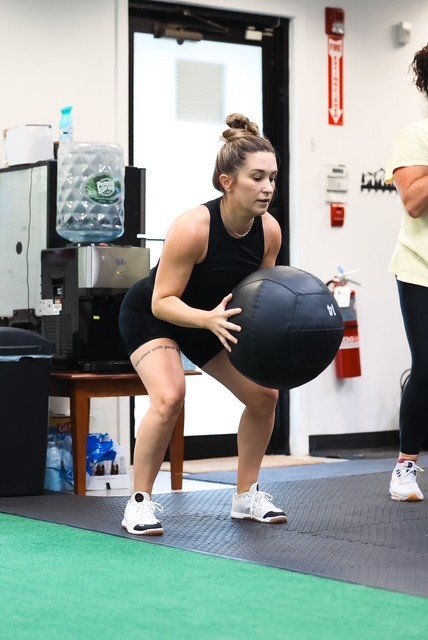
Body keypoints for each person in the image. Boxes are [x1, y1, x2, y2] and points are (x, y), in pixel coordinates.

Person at [119, 113, 287, 535]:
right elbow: (162, 300)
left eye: (272, 178)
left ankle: (246, 495)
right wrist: (208, 319)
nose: (267, 187)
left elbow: (259, 294)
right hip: (154, 315)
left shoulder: (269, 232)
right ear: (226, 181)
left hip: (210, 321)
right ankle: (139, 502)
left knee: (265, 396)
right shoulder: (193, 227)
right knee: (170, 396)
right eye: (256, 177)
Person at [385, 43, 428, 502]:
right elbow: (414, 202)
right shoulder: (417, 135)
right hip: (422, 270)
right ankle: (405, 467)